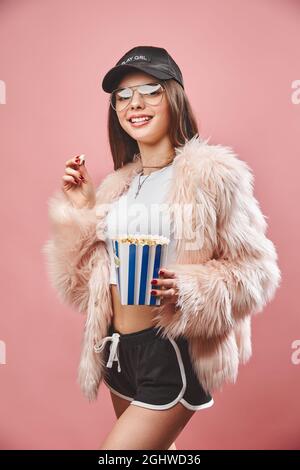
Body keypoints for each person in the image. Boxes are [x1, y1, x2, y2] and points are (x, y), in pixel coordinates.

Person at [42, 46, 281, 450]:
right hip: (118, 350)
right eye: (122, 96)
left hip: (169, 349)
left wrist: (191, 288)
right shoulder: (118, 185)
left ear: (173, 97)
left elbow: (256, 271)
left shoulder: (211, 174)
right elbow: (82, 289)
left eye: (150, 90)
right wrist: (83, 210)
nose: (134, 103)